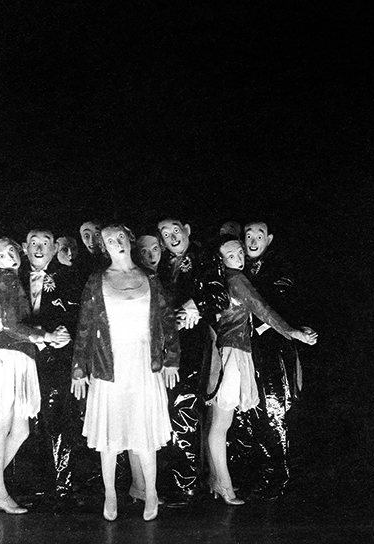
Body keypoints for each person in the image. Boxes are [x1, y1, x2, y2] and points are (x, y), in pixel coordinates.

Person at [71, 224, 180, 521]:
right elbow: (84, 326)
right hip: (110, 363)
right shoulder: (98, 280)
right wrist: (79, 369)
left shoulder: (150, 278)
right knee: (110, 434)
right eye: (109, 240)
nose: (116, 242)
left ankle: (151, 493)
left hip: (145, 362)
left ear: (129, 240)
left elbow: (168, 321)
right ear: (103, 247)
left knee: (144, 432)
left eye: (120, 237)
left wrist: (172, 360)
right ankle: (110, 494)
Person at [206, 236, 317, 505]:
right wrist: (292, 332)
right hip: (233, 353)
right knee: (222, 423)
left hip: (232, 350)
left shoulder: (226, 280)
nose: (239, 258)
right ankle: (224, 486)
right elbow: (262, 309)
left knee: (219, 421)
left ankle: (216, 480)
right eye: (231, 255)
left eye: (239, 252)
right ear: (222, 260)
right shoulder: (237, 281)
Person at [0, 237, 70, 515]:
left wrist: (43, 337)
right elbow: (9, 325)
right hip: (7, 357)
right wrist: (46, 335)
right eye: (1, 256)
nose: (9, 257)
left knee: (21, 430)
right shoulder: (7, 280)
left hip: (19, 356)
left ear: (18, 251)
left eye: (11, 251)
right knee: (2, 426)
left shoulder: (12, 279)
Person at [156, 217, 230, 505]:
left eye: (176, 230)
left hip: (193, 341)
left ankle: (185, 483)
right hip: (166, 343)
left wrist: (195, 304)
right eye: (166, 233)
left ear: (187, 230)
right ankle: (176, 479)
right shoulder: (162, 264)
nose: (172, 236)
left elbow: (219, 294)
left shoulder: (204, 257)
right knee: (170, 407)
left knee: (184, 406)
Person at [17, 229, 81, 507]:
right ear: (24, 248)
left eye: (45, 243)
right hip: (21, 356)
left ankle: (63, 487)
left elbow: (79, 314)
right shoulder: (14, 276)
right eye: (34, 243)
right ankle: (33, 485)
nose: (39, 248)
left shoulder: (68, 277)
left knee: (57, 419)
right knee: (26, 421)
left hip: (55, 358)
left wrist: (67, 330)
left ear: (55, 248)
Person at [241, 221, 302, 498]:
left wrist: (257, 326)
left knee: (274, 410)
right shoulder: (238, 266)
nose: (253, 240)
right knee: (249, 412)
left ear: (269, 239)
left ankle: (279, 477)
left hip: (272, 351)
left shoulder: (279, 269)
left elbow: (279, 306)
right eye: (249, 235)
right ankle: (259, 474)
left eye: (259, 235)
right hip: (245, 350)